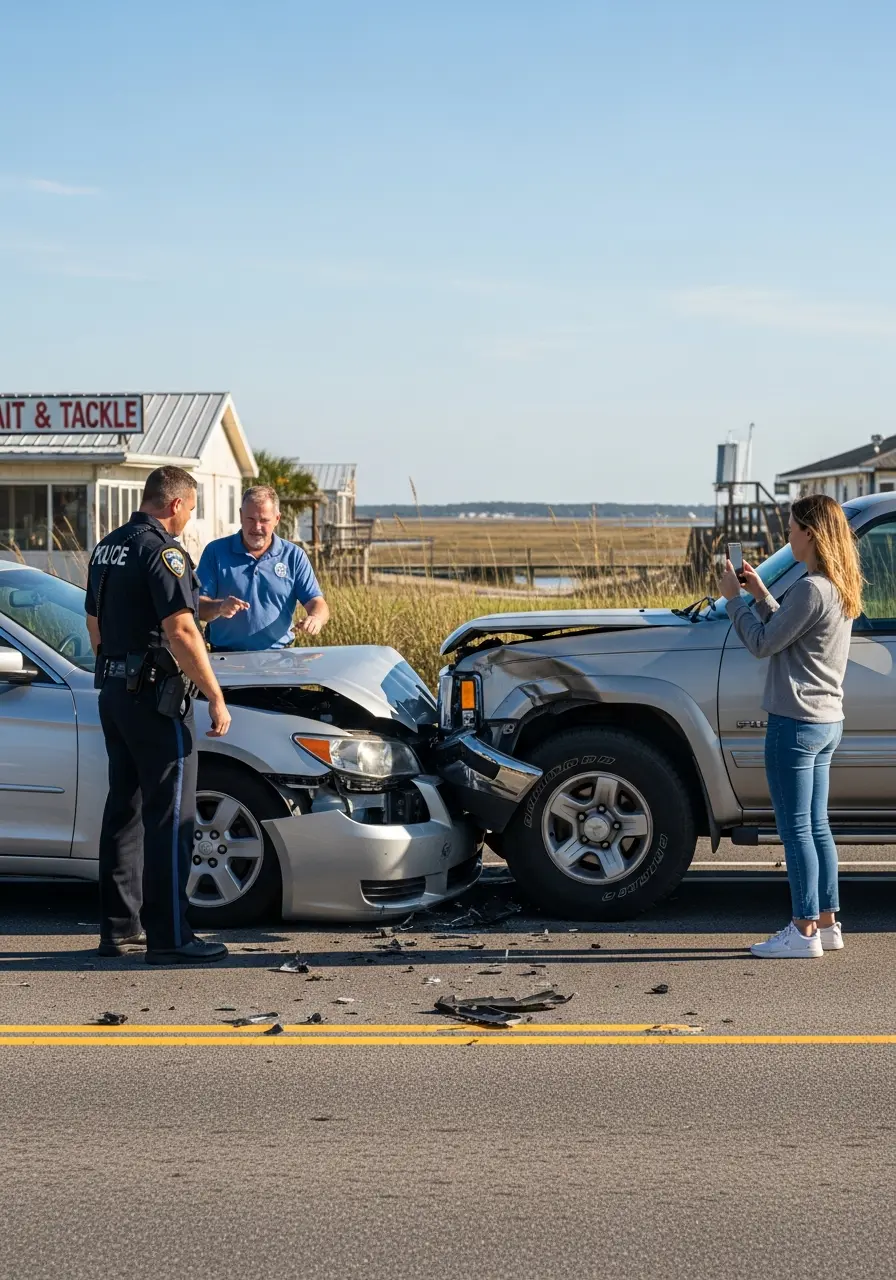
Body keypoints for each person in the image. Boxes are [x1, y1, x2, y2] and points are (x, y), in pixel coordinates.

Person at [85, 466, 232, 964]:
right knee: (172, 817)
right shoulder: (162, 550)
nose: (190, 518)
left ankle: (119, 930)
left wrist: (208, 609)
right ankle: (171, 937)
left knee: (123, 812)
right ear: (174, 504)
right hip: (156, 698)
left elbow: (97, 620)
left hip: (115, 692)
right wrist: (215, 695)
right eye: (191, 508)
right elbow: (180, 632)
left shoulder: (109, 546)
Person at [720, 494, 863, 959]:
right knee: (817, 827)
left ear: (811, 533)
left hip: (796, 722)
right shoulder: (834, 586)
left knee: (796, 829)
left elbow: (763, 643)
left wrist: (733, 602)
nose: (788, 535)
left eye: (792, 528)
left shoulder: (810, 588)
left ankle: (801, 931)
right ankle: (826, 923)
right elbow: (786, 631)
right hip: (826, 720)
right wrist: (760, 594)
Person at [197, 484, 329, 651]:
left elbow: (317, 602)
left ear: (277, 519)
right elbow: (198, 605)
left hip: (280, 659)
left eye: (264, 520)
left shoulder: (294, 556)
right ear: (240, 516)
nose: (257, 527)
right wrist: (220, 607)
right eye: (250, 519)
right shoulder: (215, 552)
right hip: (226, 658)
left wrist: (315, 618)